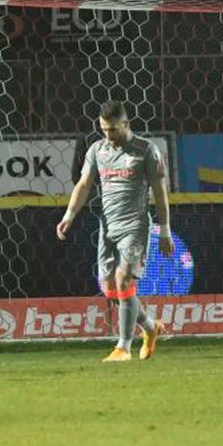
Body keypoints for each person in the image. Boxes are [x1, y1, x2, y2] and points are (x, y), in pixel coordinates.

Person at [57, 99, 171, 362]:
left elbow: (160, 192)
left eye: (114, 130)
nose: (109, 135)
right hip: (107, 226)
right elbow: (84, 184)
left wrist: (165, 230)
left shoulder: (146, 150)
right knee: (110, 290)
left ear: (126, 123)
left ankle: (123, 347)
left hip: (135, 226)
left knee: (123, 280)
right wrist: (69, 215)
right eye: (104, 130)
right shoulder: (98, 150)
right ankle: (151, 327)